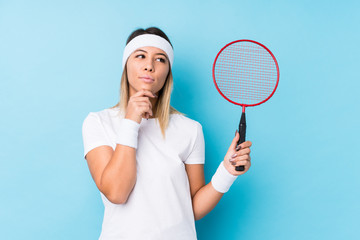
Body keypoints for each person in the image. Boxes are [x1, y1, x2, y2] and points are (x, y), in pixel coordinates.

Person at [82, 27, 252, 240]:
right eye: (140, 56)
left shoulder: (190, 129)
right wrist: (130, 122)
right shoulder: (98, 122)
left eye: (160, 59)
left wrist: (227, 171)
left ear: (167, 73)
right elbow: (117, 193)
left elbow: (192, 209)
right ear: (126, 66)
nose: (149, 66)